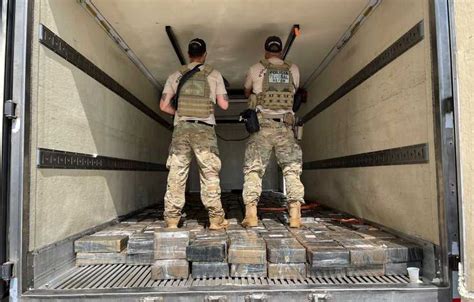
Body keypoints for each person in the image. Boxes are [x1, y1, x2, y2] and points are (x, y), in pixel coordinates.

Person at [159, 38, 229, 230]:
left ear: (188, 54)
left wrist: (180, 113)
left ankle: (172, 221)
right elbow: (224, 105)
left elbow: (164, 105)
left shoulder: (175, 75)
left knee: (177, 173)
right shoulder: (214, 74)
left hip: (181, 129)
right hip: (205, 130)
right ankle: (216, 220)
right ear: (205, 55)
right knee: (209, 174)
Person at [241, 36, 304, 228]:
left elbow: (247, 92)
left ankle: (251, 215)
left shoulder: (255, 68)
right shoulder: (293, 69)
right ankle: (294, 216)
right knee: (291, 170)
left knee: (254, 169)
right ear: (281, 51)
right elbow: (295, 92)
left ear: (266, 51)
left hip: (262, 127)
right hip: (285, 127)